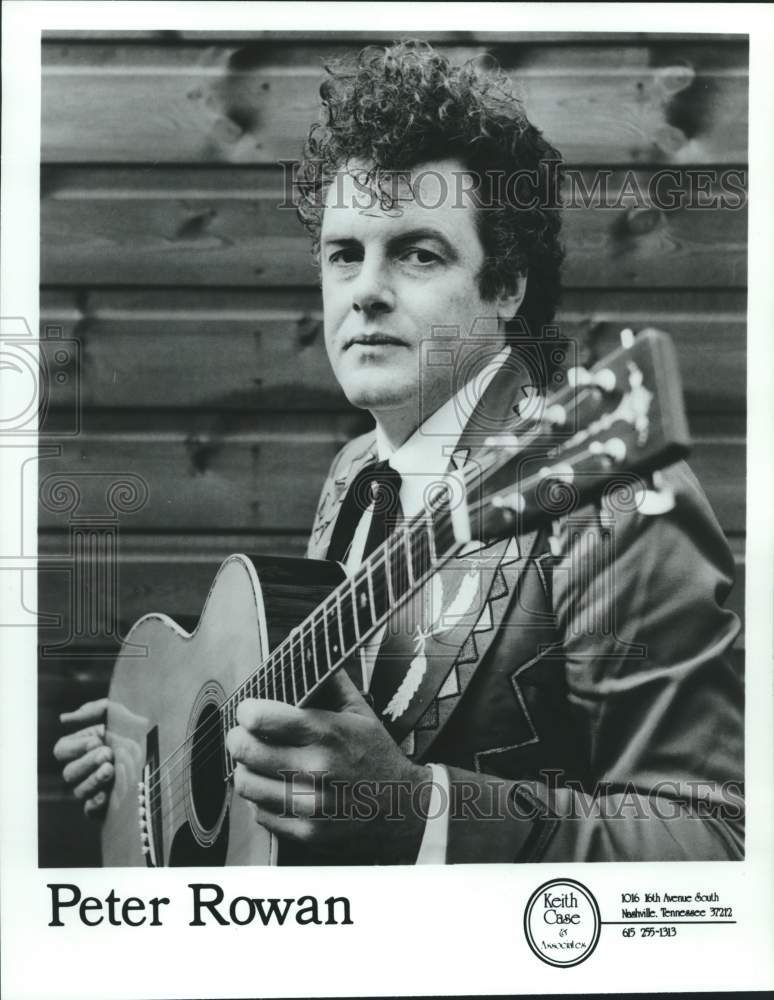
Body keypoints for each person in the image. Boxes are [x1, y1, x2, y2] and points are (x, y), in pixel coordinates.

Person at [54, 41, 743, 864]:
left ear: (507, 284)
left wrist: (422, 811)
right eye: (344, 253)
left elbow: (715, 843)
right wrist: (156, 762)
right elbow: (306, 746)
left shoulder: (611, 494)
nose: (366, 290)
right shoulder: (355, 476)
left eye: (418, 252)